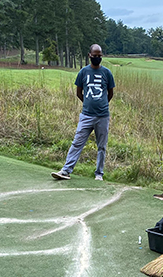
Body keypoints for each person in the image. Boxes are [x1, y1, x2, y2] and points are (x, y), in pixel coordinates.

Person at [51, 44, 115, 182]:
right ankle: (66, 171)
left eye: (99, 56)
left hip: (103, 116)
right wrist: (88, 103)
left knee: (101, 146)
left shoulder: (107, 73)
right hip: (86, 115)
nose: (97, 58)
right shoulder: (83, 72)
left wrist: (102, 104)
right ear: (89, 55)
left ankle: (99, 174)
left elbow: (110, 93)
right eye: (94, 55)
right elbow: (79, 92)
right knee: (77, 142)